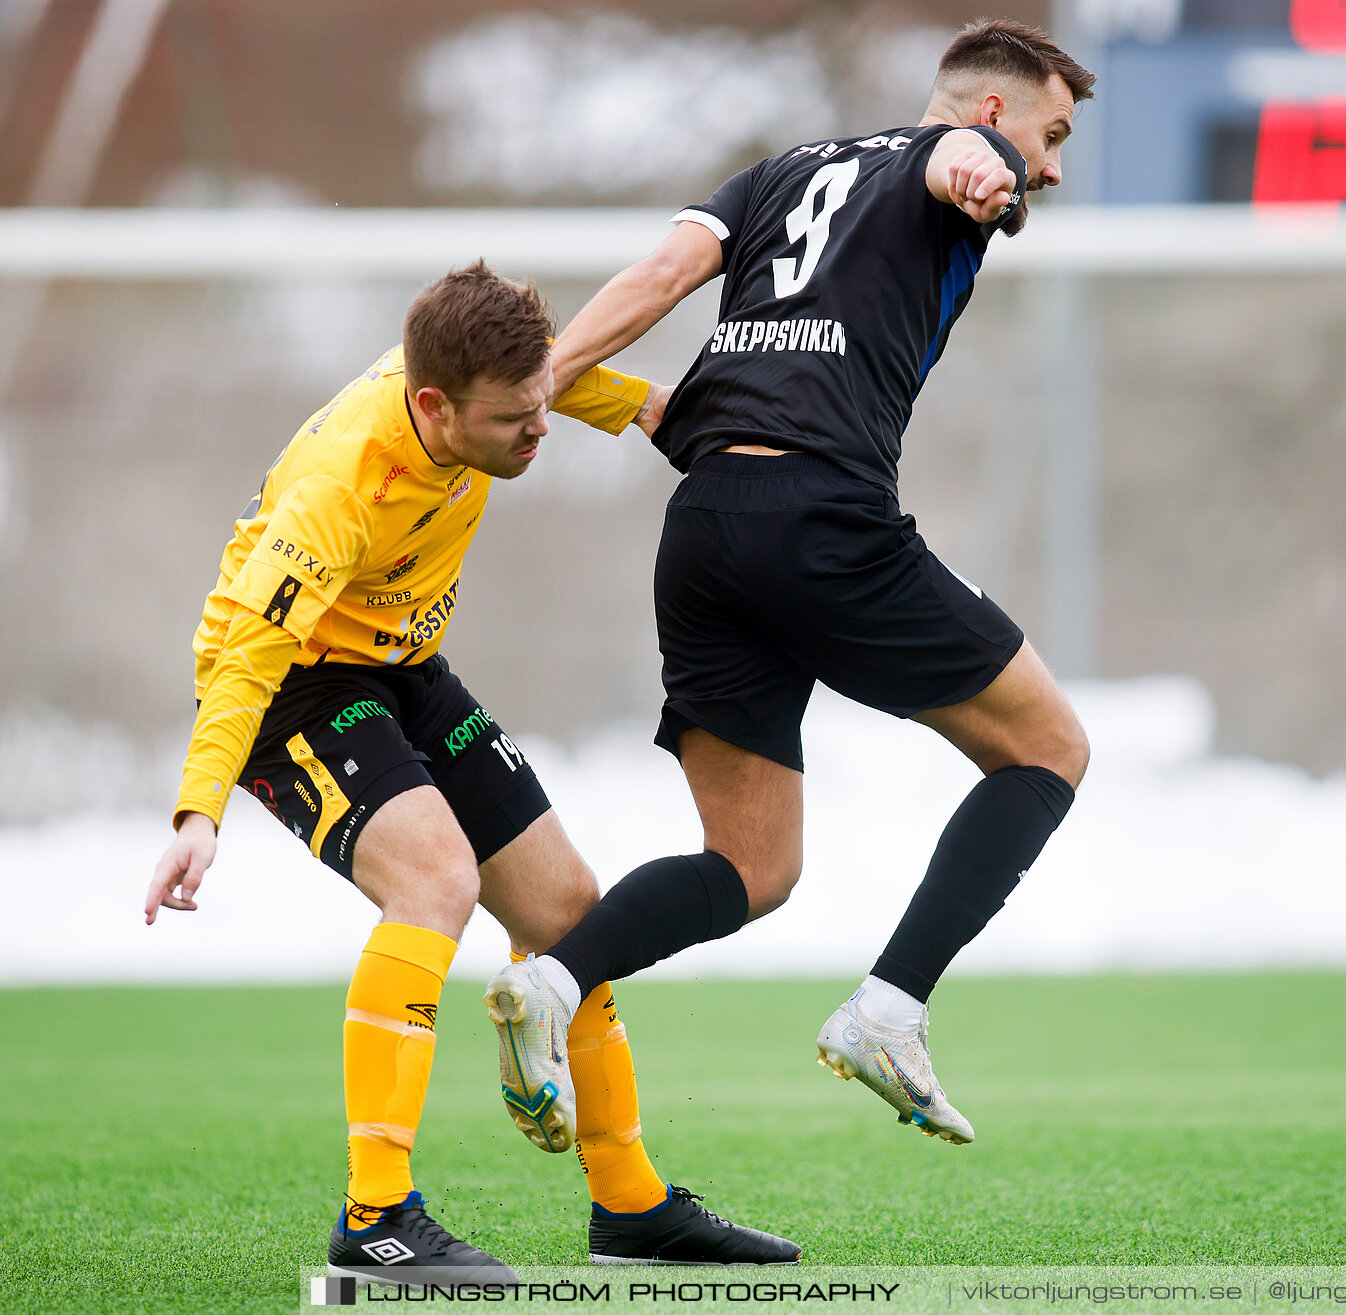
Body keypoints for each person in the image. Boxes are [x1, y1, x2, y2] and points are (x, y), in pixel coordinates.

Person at [483, 19, 1094, 1149]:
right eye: (1050, 136)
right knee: (1051, 747)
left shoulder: (777, 172)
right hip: (823, 521)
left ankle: (556, 987)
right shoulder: (968, 155)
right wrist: (978, 167)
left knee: (754, 866)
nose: (1050, 167)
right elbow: (969, 164)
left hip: (705, 528)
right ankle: (891, 1008)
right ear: (996, 111)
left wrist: (544, 379)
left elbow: (664, 274)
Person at [142, 262, 800, 1280]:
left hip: (401, 667)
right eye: (514, 421)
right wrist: (198, 808)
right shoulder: (338, 485)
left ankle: (630, 1209)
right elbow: (247, 658)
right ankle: (375, 1222)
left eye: (542, 406)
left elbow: (558, 381)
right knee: (436, 881)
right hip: (296, 692)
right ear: (432, 404)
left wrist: (649, 411)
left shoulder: (489, 394)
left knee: (570, 915)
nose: (538, 433)